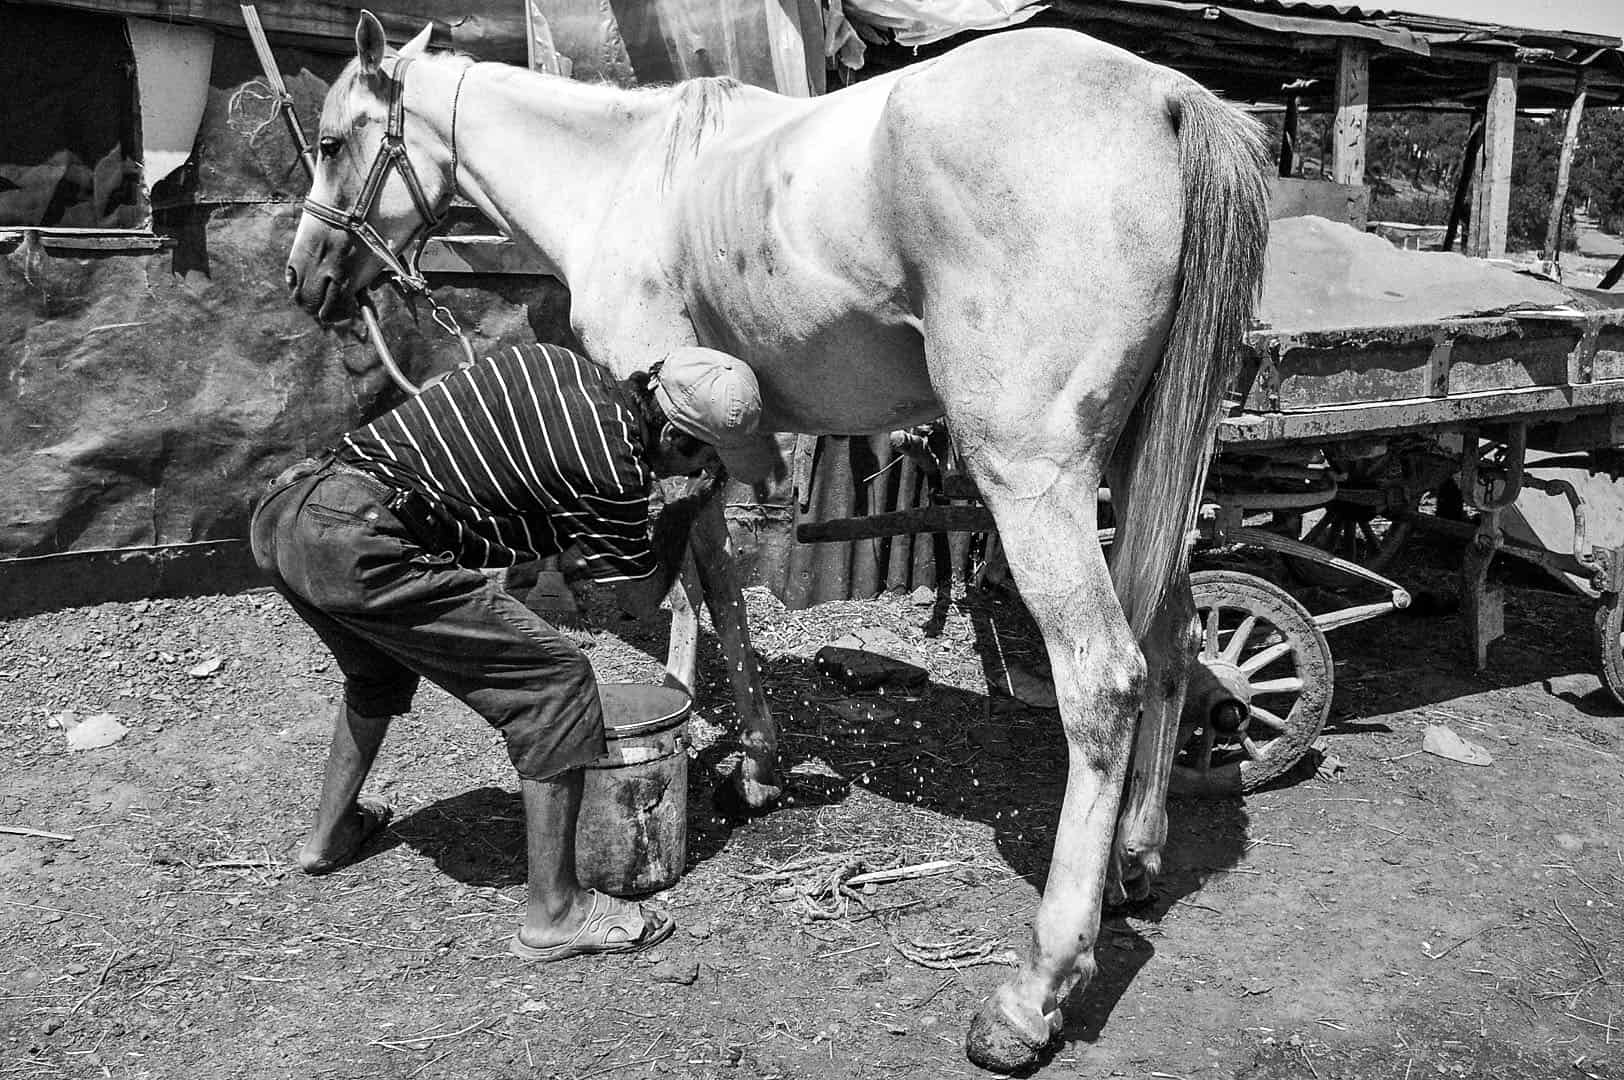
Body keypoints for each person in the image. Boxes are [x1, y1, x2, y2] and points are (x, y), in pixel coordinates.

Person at [250, 341, 773, 961]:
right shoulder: (616, 469)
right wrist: (680, 514)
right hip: (362, 538)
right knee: (555, 680)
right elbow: (638, 599)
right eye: (704, 459)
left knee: (376, 668)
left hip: (289, 512)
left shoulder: (559, 365)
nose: (695, 471)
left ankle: (327, 837)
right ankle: (556, 911)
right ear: (679, 441)